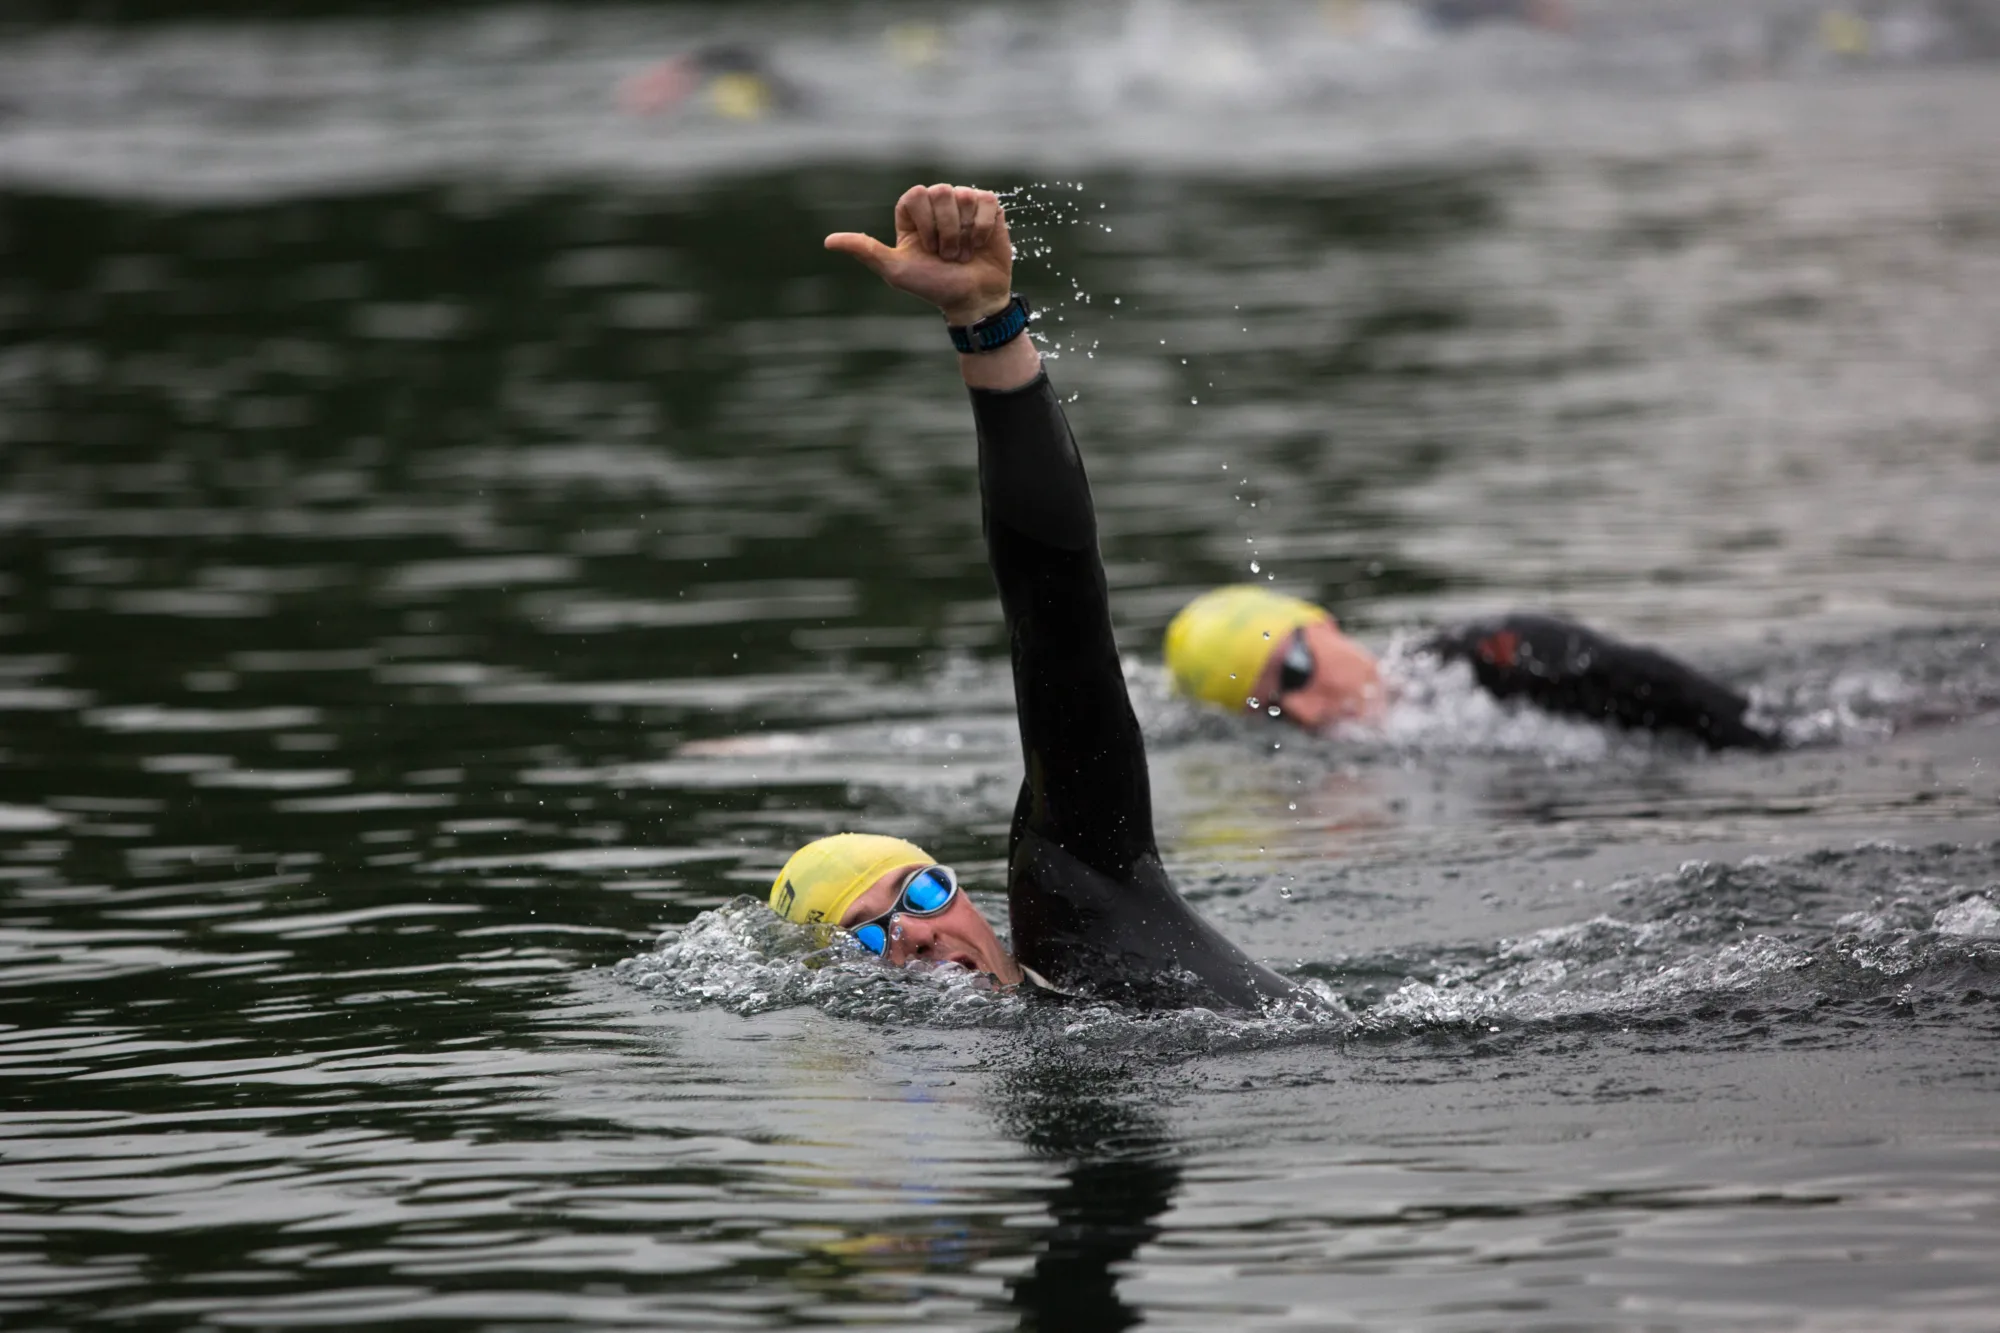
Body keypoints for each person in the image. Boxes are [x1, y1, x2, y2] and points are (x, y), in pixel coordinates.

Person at [767, 184, 1299, 1012]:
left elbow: (1057, 611)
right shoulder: (982, 1084)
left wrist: (985, 323)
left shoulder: (1085, 902)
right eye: (864, 936)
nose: (909, 934)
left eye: (919, 893)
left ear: (963, 890)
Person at [1165, 586, 1783, 750]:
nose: (1303, 708)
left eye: (1293, 669)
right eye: (1271, 707)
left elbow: (1719, 712)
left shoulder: (1500, 654)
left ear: (1321, 624)